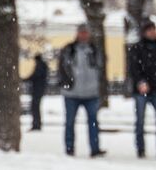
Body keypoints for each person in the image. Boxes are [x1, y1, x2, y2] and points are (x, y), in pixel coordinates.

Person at [58, 24, 105, 157]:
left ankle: (95, 148)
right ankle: (69, 148)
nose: (84, 35)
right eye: (81, 32)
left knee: (93, 121)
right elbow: (62, 68)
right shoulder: (69, 50)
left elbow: (100, 69)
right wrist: (67, 83)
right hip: (72, 93)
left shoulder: (95, 50)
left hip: (91, 93)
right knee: (69, 122)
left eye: (86, 32)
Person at [127, 19, 156, 158]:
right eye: (150, 30)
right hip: (141, 90)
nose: (153, 32)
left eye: (154, 29)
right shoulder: (137, 48)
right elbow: (134, 68)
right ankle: (140, 149)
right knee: (140, 121)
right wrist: (140, 81)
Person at [27, 53, 48, 131]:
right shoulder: (42, 65)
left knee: (35, 107)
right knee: (35, 107)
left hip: (37, 89)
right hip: (39, 89)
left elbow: (35, 76)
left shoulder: (40, 66)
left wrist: (26, 79)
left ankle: (36, 124)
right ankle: (36, 124)